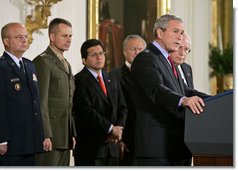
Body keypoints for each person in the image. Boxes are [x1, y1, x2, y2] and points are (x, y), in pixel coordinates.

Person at [130, 14, 210, 166]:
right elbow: (156, 90)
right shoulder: (146, 58)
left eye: (181, 32)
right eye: (175, 31)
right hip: (155, 146)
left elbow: (185, 90)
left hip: (173, 146)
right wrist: (183, 101)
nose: (180, 37)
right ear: (160, 33)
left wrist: (215, 99)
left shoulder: (166, 60)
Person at [0, 22, 44, 166]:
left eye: (26, 36)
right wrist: (1, 139)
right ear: (6, 41)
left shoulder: (30, 66)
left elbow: (35, 104)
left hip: (29, 142)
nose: (25, 40)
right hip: (10, 144)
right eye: (19, 37)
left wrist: (40, 136)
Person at [73, 39, 127, 166]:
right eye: (94, 54)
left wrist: (118, 129)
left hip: (112, 146)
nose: (99, 57)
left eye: (101, 53)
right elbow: (86, 111)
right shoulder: (78, 80)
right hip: (91, 148)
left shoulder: (112, 78)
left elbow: (123, 107)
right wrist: (110, 129)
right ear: (84, 60)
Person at [33, 18, 76, 166]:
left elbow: (69, 103)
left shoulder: (66, 64)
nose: (69, 40)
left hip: (65, 136)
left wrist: (72, 132)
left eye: (70, 36)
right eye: (64, 36)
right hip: (50, 136)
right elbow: (41, 102)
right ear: (52, 37)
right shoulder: (43, 62)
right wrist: (45, 134)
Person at [110, 34, 146, 165]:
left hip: (147, 138)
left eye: (140, 49)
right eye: (132, 49)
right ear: (124, 51)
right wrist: (120, 138)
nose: (137, 52)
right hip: (126, 139)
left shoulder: (151, 74)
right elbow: (114, 109)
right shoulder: (114, 75)